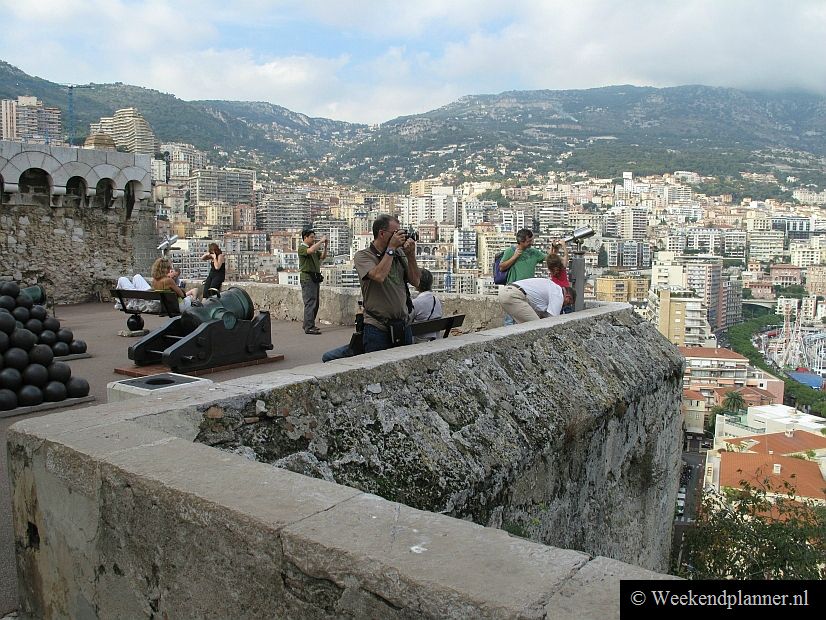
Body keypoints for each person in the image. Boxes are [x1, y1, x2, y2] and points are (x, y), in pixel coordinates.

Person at [353, 214, 420, 353]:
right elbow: (379, 276)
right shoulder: (363, 256)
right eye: (396, 233)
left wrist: (411, 255)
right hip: (377, 327)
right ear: (382, 234)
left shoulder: (399, 253)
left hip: (403, 325)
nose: (400, 236)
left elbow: (416, 281)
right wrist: (391, 248)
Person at [498, 229, 549, 325]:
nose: (531, 243)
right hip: (513, 290)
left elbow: (548, 258)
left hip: (528, 292)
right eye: (529, 241)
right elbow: (501, 267)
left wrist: (555, 249)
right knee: (510, 320)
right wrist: (514, 257)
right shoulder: (510, 251)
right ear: (521, 241)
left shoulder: (533, 252)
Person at [497, 271, 565, 324]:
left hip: (506, 292)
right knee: (537, 327)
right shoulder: (558, 293)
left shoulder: (550, 286)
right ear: (568, 297)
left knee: (524, 327)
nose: (564, 305)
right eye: (569, 302)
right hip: (515, 295)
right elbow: (552, 320)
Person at [298, 228, 328, 335]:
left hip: (314, 277)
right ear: (305, 237)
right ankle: (309, 327)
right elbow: (310, 251)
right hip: (307, 278)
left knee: (315, 303)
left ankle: (308, 324)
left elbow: (323, 256)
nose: (313, 239)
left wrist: (325, 246)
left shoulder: (313, 248)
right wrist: (320, 241)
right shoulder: (302, 248)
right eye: (311, 237)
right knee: (310, 302)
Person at [411, 269, 443, 342]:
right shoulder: (437, 300)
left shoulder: (416, 303)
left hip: (420, 341)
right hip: (435, 339)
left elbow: (407, 321)